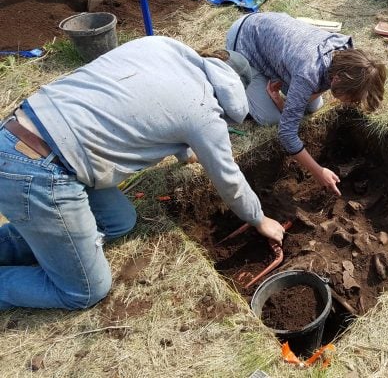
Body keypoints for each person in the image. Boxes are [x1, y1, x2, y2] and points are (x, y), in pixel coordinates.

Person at [0, 36, 286, 310]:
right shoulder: (204, 112)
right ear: (234, 94)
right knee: (86, 290)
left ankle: (44, 243)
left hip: (25, 130)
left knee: (119, 222)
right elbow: (229, 179)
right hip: (40, 171)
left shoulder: (163, 48)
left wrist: (186, 150)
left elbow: (155, 107)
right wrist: (259, 219)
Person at [226, 12, 387, 197]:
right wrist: (318, 171)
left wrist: (279, 100)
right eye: (352, 97)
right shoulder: (308, 73)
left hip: (276, 45)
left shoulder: (349, 56)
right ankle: (247, 85)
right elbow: (286, 134)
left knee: (313, 107)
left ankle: (272, 83)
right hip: (245, 42)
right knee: (271, 119)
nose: (351, 103)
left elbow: (304, 101)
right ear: (336, 80)